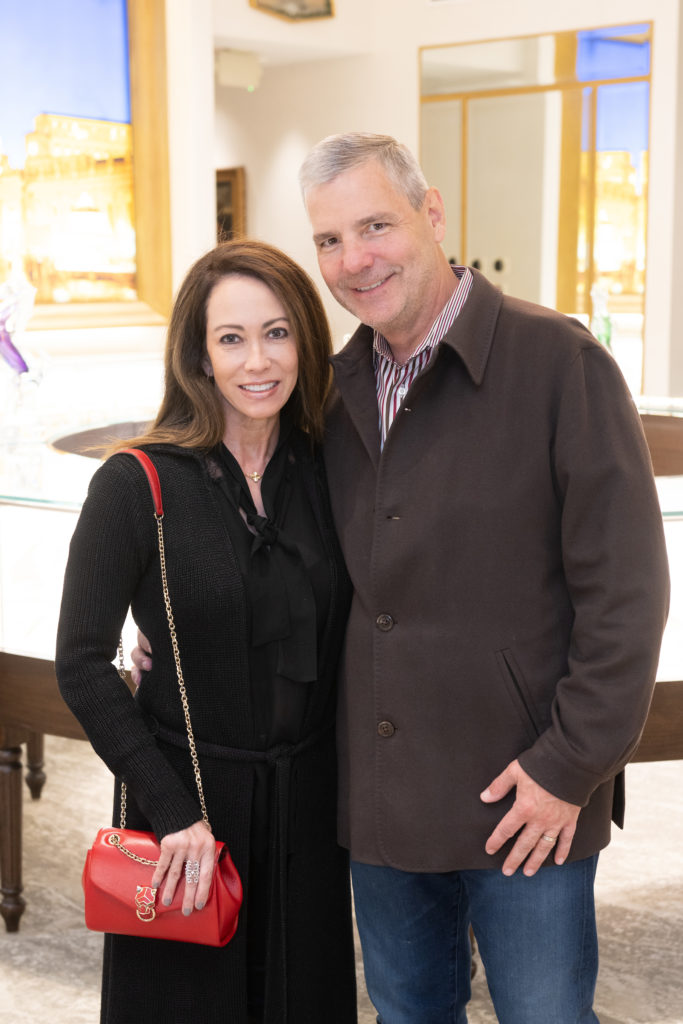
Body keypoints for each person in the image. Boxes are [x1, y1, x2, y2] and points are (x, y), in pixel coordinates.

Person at [294, 132, 670, 1023]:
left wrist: (567, 768)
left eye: (375, 226)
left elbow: (626, 597)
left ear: (431, 213)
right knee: (407, 1013)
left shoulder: (558, 363)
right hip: (383, 800)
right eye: (329, 240)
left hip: (525, 799)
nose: (353, 260)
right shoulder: (335, 390)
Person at [55, 239, 358, 1024]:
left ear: (306, 341)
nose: (258, 360)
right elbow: (82, 664)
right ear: (199, 354)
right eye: (231, 338)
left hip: (309, 811)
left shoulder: (329, 469)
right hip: (188, 811)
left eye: (277, 332)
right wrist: (172, 809)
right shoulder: (135, 483)